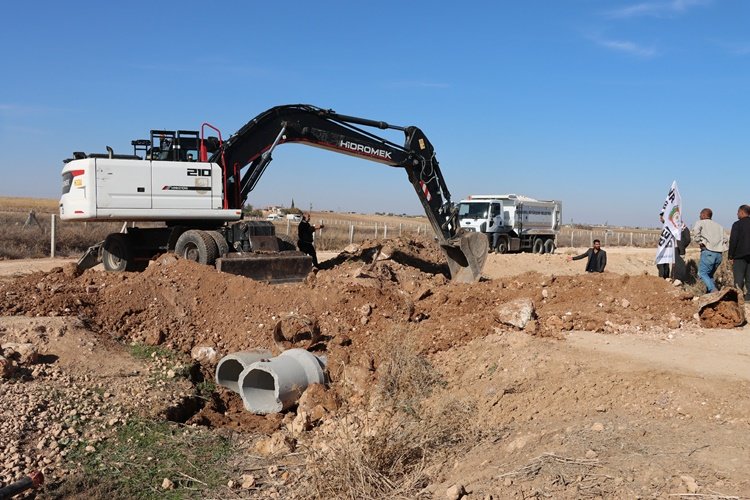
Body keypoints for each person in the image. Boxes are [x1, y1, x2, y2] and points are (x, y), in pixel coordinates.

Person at [691, 208, 725, 293]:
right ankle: (711, 295)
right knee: (709, 275)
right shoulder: (719, 226)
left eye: (700, 214)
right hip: (719, 255)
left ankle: (713, 290)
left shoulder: (700, 223)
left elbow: (695, 231)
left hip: (708, 252)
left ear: (703, 214)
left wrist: (700, 242)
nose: (699, 216)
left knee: (702, 274)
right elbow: (725, 239)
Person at [728, 204, 750, 301]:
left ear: (741, 212)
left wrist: (730, 256)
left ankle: (739, 298)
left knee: (739, 278)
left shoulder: (737, 224)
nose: (737, 214)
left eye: (738, 212)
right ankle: (749, 298)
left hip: (739, 256)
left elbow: (733, 241)